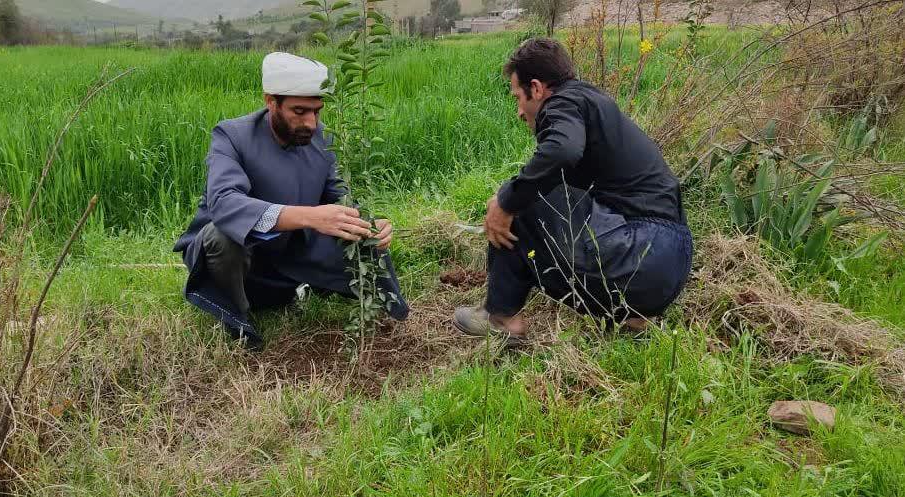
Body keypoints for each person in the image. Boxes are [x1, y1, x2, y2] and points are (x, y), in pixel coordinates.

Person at [453, 38, 693, 345]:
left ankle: (501, 318)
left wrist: (506, 201)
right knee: (536, 191)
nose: (519, 112)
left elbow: (562, 151)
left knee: (522, 198)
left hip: (641, 251)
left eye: (517, 97)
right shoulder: (589, 101)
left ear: (537, 88)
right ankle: (633, 322)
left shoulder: (562, 103)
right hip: (668, 263)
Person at [174, 52, 409, 350]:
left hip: (290, 256)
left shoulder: (322, 139)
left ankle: (325, 292)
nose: (311, 123)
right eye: (299, 111)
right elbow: (223, 202)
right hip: (240, 264)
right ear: (271, 101)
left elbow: (340, 198)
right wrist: (309, 217)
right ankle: (237, 316)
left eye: (317, 112)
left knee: (353, 229)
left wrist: (370, 225)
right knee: (222, 236)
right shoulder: (232, 136)